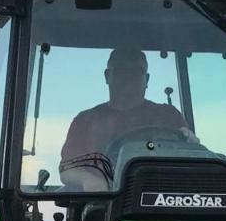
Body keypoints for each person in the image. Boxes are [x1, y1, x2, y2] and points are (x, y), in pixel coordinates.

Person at [60, 47, 190, 165]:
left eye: (136, 72)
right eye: (121, 71)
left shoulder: (168, 116)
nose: (128, 77)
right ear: (107, 76)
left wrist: (192, 144)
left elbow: (188, 157)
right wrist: (89, 180)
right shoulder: (85, 121)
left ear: (147, 79)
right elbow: (68, 168)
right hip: (102, 191)